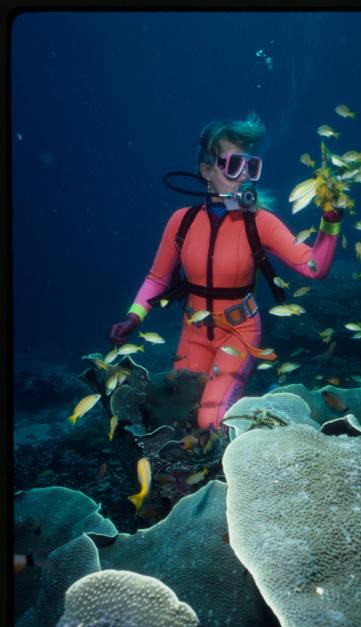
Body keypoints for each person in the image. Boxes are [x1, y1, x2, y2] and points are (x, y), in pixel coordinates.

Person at [110, 113, 343, 431]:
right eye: (233, 165)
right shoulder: (182, 221)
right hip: (193, 333)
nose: (243, 175)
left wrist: (331, 218)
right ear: (206, 170)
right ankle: (251, 409)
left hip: (240, 333)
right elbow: (158, 278)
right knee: (178, 416)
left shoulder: (260, 222)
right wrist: (133, 317)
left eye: (250, 166)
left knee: (211, 422)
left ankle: (266, 420)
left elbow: (313, 269)